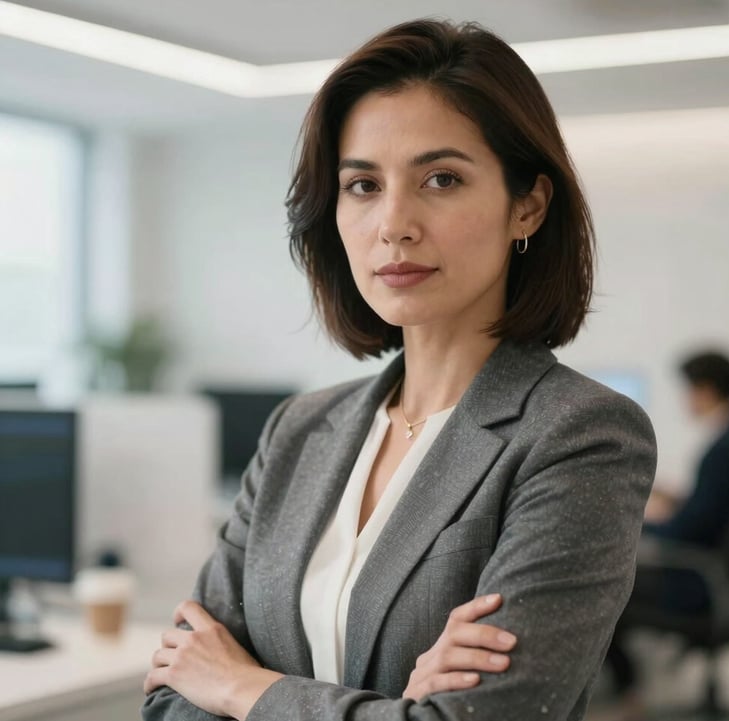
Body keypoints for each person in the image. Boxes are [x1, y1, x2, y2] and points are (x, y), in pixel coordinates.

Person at [142, 19, 656, 721]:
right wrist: (391, 707)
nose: (394, 223)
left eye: (440, 179)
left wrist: (241, 686)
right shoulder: (299, 428)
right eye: (362, 185)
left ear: (527, 205)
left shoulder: (579, 435)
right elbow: (172, 691)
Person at [605, 350, 729, 717]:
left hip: (708, 583)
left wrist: (631, 523)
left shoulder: (724, 452)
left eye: (688, 391)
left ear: (705, 390)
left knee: (610, 584)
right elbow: (721, 515)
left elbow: (688, 532)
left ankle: (626, 692)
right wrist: (678, 500)